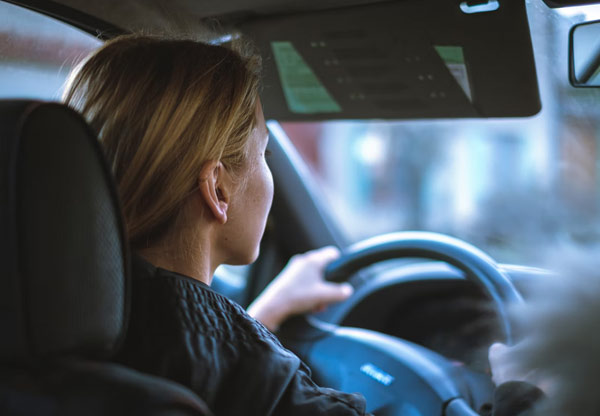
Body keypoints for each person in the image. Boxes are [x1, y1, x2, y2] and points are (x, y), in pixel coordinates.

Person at [63, 34, 541, 416]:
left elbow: (192, 354)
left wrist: (259, 319)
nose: (268, 172)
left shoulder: (54, 317)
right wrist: (523, 394)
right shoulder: (250, 375)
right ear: (218, 190)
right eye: (263, 154)